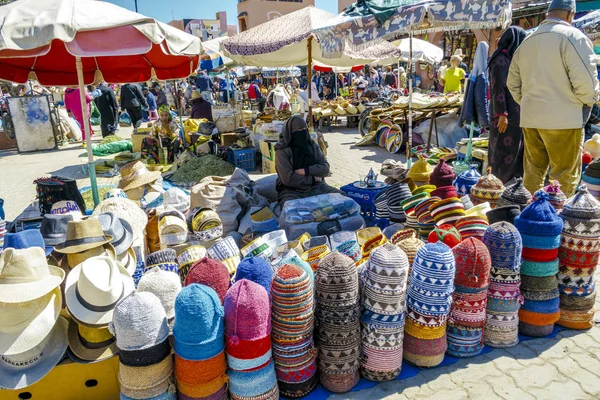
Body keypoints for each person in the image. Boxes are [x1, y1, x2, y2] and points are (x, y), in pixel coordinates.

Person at [508, 0, 600, 196]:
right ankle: (557, 218)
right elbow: (586, 84)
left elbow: (513, 84)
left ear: (547, 14)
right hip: (564, 119)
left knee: (533, 172)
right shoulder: (573, 37)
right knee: (564, 175)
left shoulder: (527, 40)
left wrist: (528, 102)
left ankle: (529, 213)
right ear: (570, 15)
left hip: (532, 118)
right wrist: (586, 102)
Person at [487, 27, 527, 184]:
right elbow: (498, 88)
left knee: (514, 149)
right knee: (502, 151)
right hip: (505, 115)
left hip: (514, 113)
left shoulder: (510, 60)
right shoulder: (500, 60)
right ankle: (497, 182)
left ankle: (512, 183)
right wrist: (502, 114)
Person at [275, 116, 344, 206]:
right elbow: (288, 179)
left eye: (305, 129)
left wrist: (306, 171)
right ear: (291, 132)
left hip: (317, 186)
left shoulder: (311, 145)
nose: (303, 133)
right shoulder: (282, 150)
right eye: (299, 130)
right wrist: (313, 179)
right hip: (292, 190)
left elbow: (325, 168)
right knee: (292, 209)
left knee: (342, 197)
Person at [460, 42, 490, 130]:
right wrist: (485, 120)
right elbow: (481, 99)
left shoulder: (474, 72)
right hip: (481, 112)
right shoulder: (483, 73)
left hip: (474, 111)